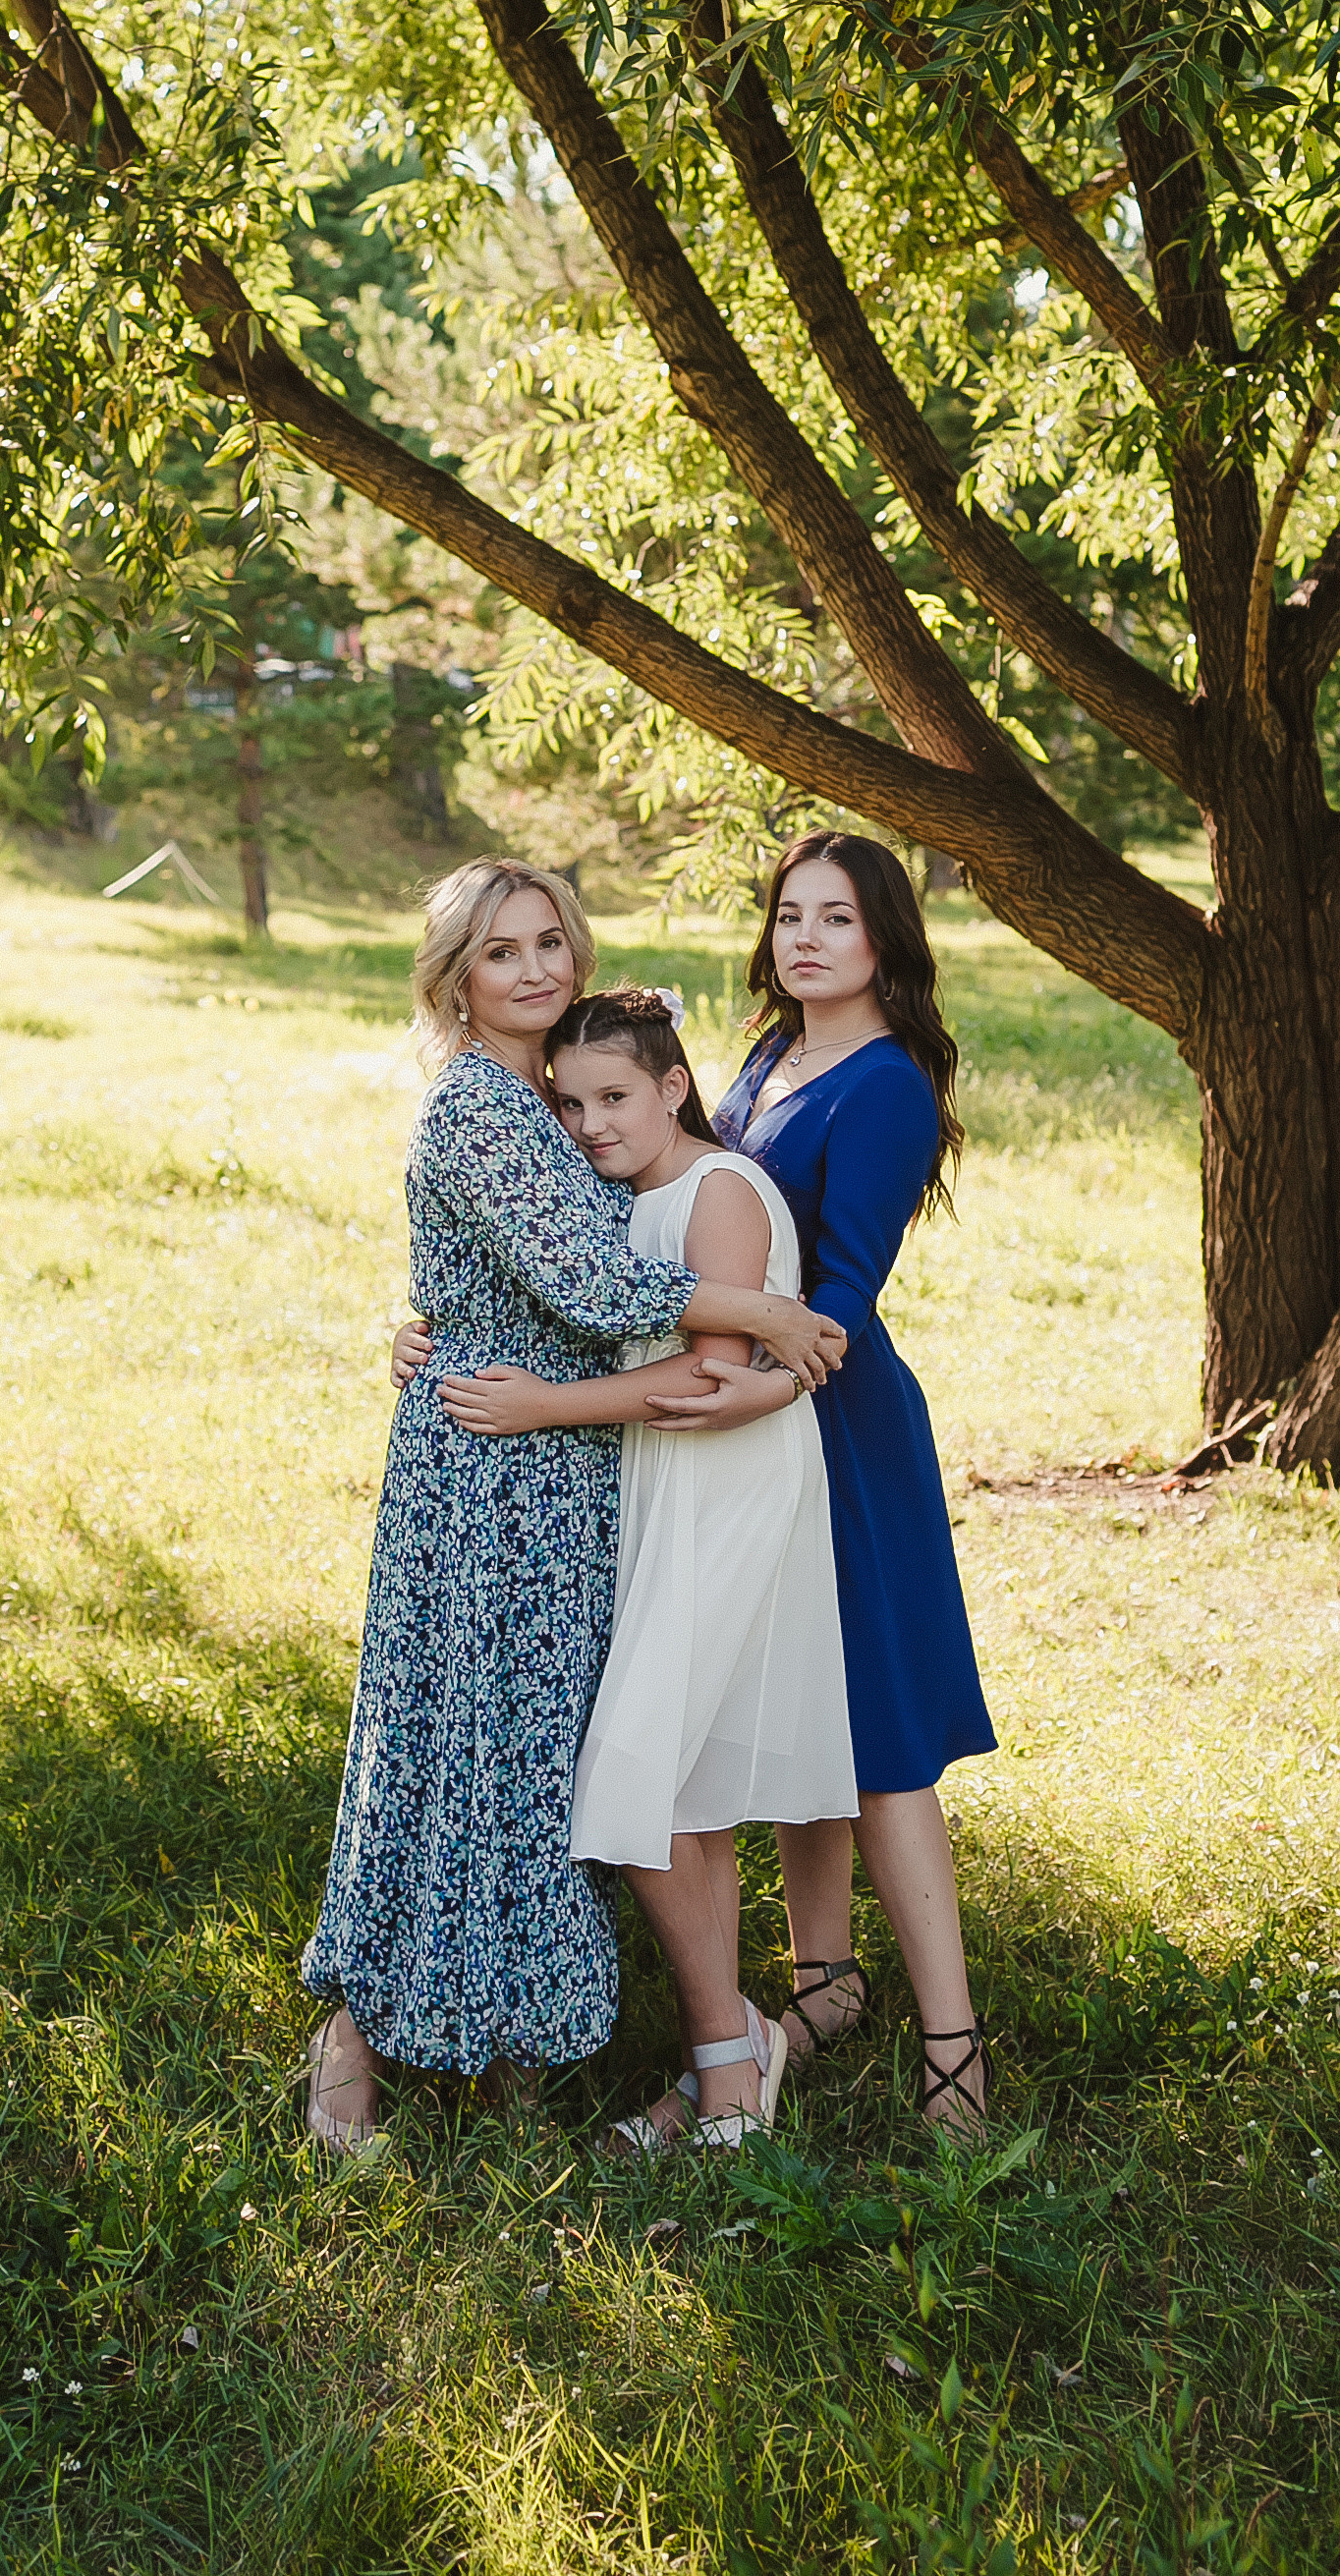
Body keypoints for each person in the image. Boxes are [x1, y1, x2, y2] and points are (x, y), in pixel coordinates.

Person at [303, 863, 846, 2151]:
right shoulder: (483, 1106)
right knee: (458, 1747)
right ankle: (355, 2033)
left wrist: (426, 1309)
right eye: (502, 954)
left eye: (553, 941)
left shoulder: (563, 1088)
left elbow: (576, 1228)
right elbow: (599, 1280)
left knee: (537, 1760)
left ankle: (508, 2037)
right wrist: (768, 1309)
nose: (537, 969)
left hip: (575, 1472)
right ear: (458, 981)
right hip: (492, 1467)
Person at [436, 986, 857, 2149]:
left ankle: (728, 2058)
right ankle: (727, 2059)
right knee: (673, 1791)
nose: (588, 1124)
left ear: (675, 1086)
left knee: (643, 1775)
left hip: (721, 1495)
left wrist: (540, 1410)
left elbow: (708, 1390)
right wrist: (421, 1330)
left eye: (614, 1096)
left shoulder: (717, 1193)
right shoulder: (626, 1195)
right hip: (664, 1498)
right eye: (567, 1103)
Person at [708, 831, 995, 2136]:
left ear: (886, 935)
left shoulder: (885, 1085)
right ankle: (822, 1984)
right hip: (762, 1418)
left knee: (880, 1740)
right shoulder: (773, 1053)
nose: (806, 938)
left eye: (836, 917)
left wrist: (749, 1387)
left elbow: (840, 1297)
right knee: (797, 1723)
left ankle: (955, 2050)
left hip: (839, 1421)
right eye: (789, 915)